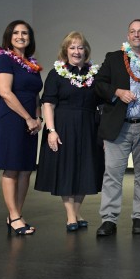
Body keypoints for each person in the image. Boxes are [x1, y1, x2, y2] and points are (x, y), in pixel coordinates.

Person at [34, 32, 104, 231]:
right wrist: (51, 130)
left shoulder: (94, 74)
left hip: (89, 127)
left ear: (86, 50)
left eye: (80, 47)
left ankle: (77, 212)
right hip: (64, 127)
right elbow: (48, 104)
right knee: (67, 170)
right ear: (65, 50)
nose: (76, 51)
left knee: (84, 171)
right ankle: (70, 216)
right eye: (72, 47)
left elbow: (101, 103)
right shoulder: (56, 73)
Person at [94, 19, 140, 236]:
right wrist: (118, 92)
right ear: (128, 35)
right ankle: (109, 219)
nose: (137, 35)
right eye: (133, 31)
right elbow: (98, 84)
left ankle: (139, 218)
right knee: (112, 173)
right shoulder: (114, 58)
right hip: (118, 126)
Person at [0, 20, 44, 235]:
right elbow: (5, 93)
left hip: (30, 120)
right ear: (9, 36)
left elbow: (35, 95)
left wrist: (38, 118)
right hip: (11, 118)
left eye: (25, 33)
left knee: (26, 170)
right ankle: (14, 216)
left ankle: (16, 215)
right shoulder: (4, 59)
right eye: (16, 33)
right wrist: (27, 118)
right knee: (12, 168)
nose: (20, 36)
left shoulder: (30, 63)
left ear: (30, 38)